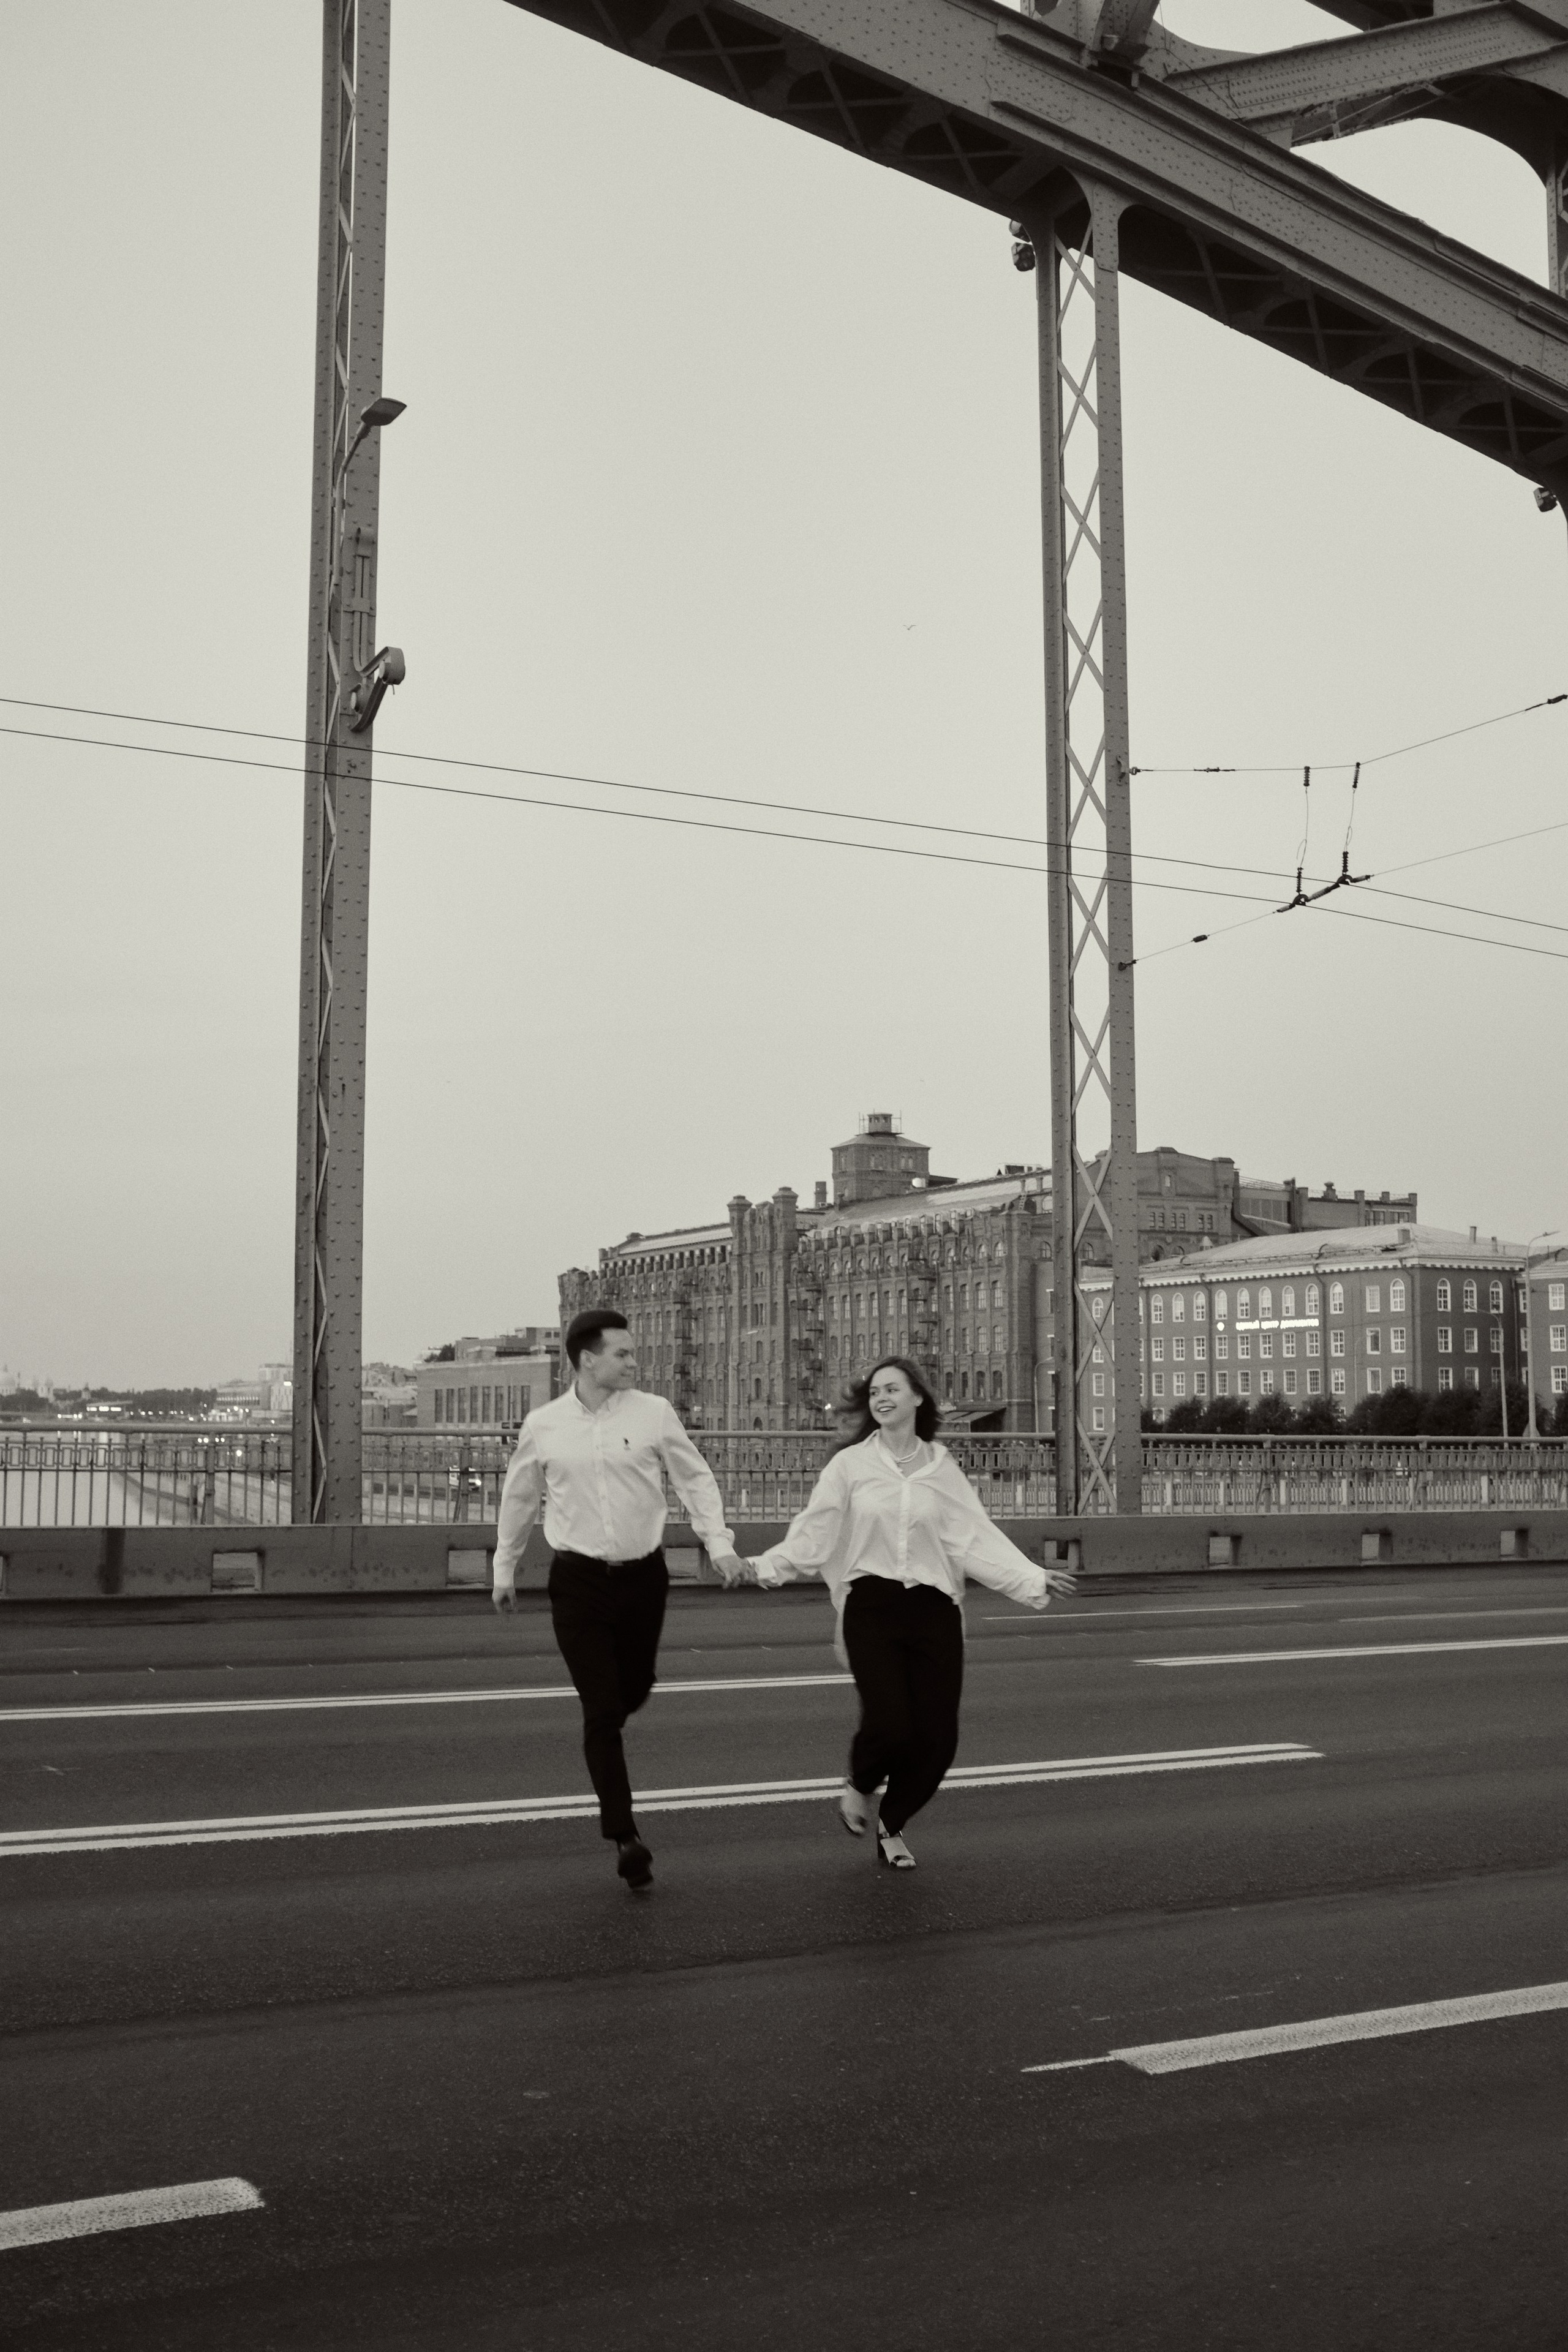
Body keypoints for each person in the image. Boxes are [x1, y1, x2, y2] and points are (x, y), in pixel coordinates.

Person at [723, 1357, 1074, 1870]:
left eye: (892, 1389)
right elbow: (813, 1534)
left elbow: (973, 1538)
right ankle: (860, 1782)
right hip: (872, 1607)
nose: (881, 1398)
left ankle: (893, 1823)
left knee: (938, 1740)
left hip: (933, 1610)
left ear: (917, 1398)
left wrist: (1033, 1577)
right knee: (891, 1722)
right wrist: (759, 1567)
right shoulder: (850, 1466)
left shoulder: (942, 1467)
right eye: (874, 1393)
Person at [492, 1308, 741, 1890]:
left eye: (632, 1353)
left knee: (635, 1688)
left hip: (643, 1580)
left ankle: (613, 1733)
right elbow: (520, 1498)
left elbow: (694, 1479)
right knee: (602, 1711)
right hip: (577, 1583)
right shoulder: (545, 1425)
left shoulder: (654, 1413)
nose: (634, 1362)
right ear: (587, 1360)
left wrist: (720, 1544)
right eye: (622, 1353)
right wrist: (504, 1567)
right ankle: (626, 1837)